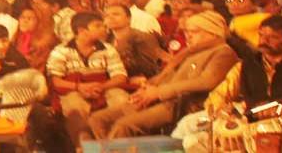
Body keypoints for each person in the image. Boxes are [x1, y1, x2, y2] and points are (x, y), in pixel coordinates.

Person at [88, 12, 238, 138]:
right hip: (158, 98)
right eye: (186, 32)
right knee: (98, 119)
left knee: (124, 125)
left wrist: (158, 93)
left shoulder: (223, 52)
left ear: (212, 32)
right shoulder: (191, 51)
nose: (188, 36)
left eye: (194, 32)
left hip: (178, 104)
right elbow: (167, 76)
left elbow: (206, 81)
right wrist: (147, 88)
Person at [205, 15, 282, 117]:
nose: (264, 41)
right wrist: (222, 109)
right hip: (251, 121)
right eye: (261, 35)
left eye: (273, 37)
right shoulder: (245, 65)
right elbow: (220, 94)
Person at [48, 11, 130, 143]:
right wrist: (79, 87)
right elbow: (56, 81)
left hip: (105, 88)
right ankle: (85, 146)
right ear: (82, 30)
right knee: (75, 105)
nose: (104, 28)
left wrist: (100, 86)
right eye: (98, 26)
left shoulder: (108, 49)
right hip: (74, 90)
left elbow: (120, 76)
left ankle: (116, 145)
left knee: (121, 100)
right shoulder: (61, 51)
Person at [103, 4, 167, 78]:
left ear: (128, 19)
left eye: (116, 14)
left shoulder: (142, 38)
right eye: (107, 16)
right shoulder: (107, 40)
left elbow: (150, 68)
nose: (110, 18)